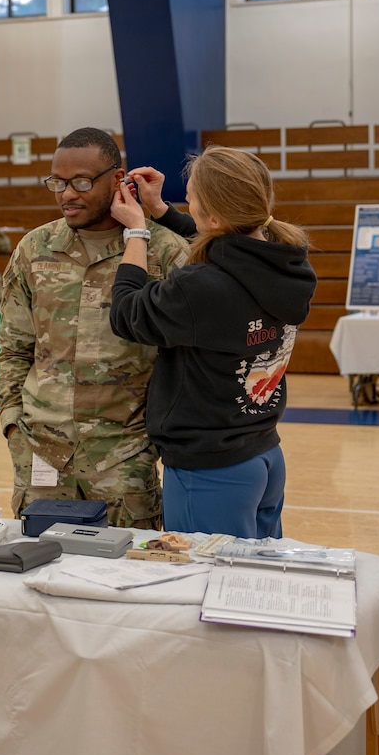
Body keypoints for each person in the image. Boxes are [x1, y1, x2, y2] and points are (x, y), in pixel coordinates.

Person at [109, 146, 318, 538]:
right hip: (263, 453)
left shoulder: (199, 288)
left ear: (216, 216)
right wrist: (160, 211)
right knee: (252, 585)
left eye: (192, 199)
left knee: (205, 584)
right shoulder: (290, 260)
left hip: (210, 468)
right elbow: (232, 249)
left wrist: (136, 232)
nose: (186, 201)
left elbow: (126, 314)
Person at [0, 127, 189, 529]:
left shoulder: (164, 250)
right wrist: (13, 423)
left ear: (117, 179)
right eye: (57, 183)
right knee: (38, 574)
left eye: (81, 182)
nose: (67, 194)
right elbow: (13, 347)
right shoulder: (35, 248)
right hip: (41, 453)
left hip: (124, 458)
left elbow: (191, 350)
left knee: (125, 579)